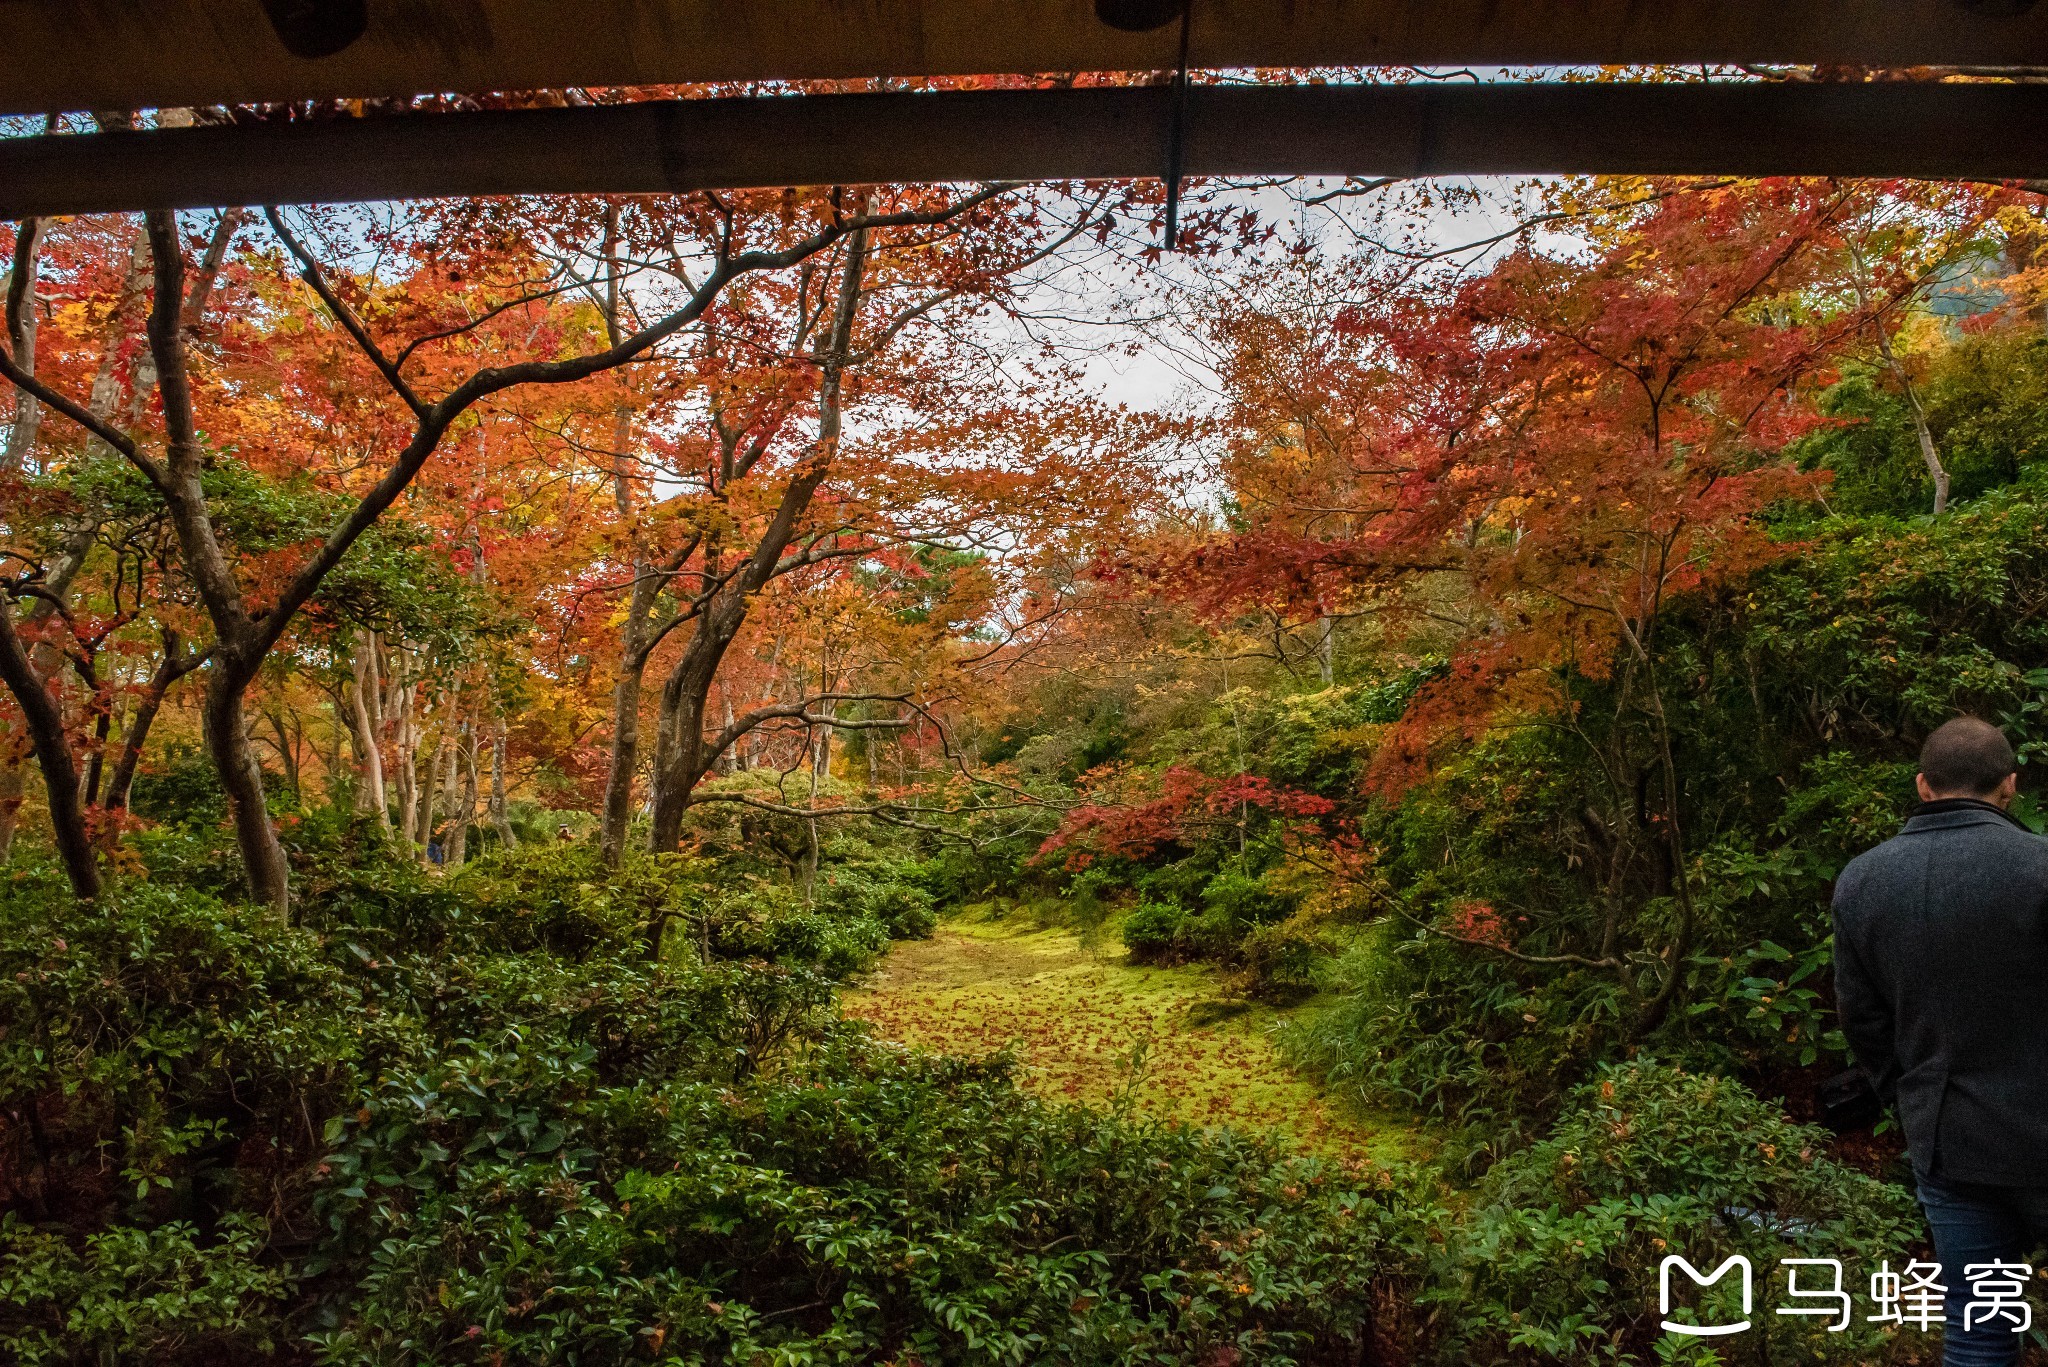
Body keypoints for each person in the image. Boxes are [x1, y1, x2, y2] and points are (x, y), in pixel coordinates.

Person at [1834, 716, 2048, 1367]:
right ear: (2010, 785)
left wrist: (1914, 1093)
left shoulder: (1864, 880)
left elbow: (1863, 1021)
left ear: (1924, 785)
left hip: (1951, 1137)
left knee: (1979, 1328)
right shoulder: (2040, 867)